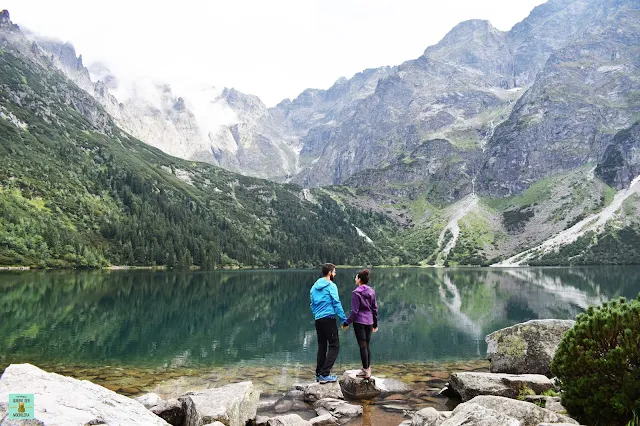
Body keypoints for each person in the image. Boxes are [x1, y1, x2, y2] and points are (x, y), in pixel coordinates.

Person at [310, 263, 348, 383]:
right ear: (330, 272)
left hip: (318, 319)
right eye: (334, 272)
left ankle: (319, 373)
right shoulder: (331, 286)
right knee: (334, 345)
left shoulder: (314, 287)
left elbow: (312, 304)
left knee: (322, 346)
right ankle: (325, 374)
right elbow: (336, 303)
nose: (335, 274)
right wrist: (344, 320)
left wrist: (317, 314)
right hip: (328, 318)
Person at [342, 269, 378, 379]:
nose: (355, 279)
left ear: (359, 279)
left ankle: (365, 371)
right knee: (367, 345)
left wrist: (346, 322)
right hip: (369, 321)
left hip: (359, 322)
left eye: (356, 277)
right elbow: (375, 309)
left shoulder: (356, 293)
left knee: (362, 346)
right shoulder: (371, 291)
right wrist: (375, 324)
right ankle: (367, 369)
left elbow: (354, 312)